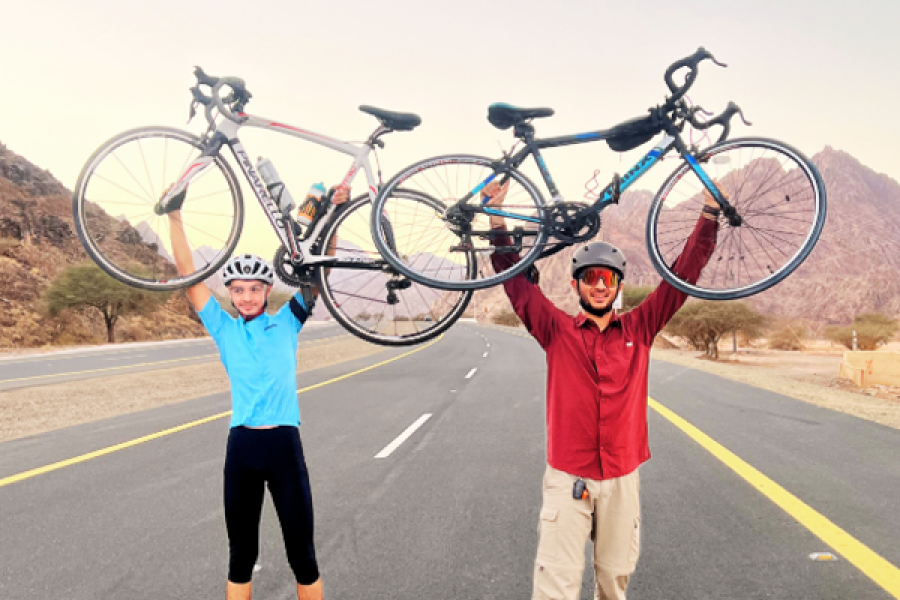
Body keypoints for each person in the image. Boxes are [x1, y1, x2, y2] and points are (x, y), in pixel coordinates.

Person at [483, 179, 721, 600]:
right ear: (576, 285)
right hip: (568, 475)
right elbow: (517, 285)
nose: (599, 285)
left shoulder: (640, 328)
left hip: (622, 478)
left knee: (614, 583)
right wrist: (496, 219)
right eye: (590, 277)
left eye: (607, 278)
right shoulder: (556, 330)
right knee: (555, 587)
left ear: (617, 286)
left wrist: (709, 214)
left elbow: (681, 279)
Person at [166, 185, 349, 600]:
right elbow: (186, 272)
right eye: (237, 289)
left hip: (285, 445)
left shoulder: (287, 322)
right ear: (229, 294)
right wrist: (175, 216)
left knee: (302, 556)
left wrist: (334, 212)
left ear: (268, 291)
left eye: (254, 289)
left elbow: (321, 270)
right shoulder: (223, 328)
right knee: (241, 555)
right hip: (243, 448)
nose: (246, 296)